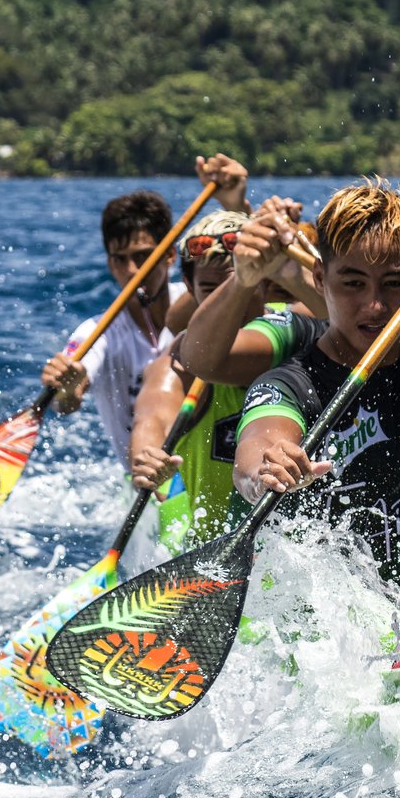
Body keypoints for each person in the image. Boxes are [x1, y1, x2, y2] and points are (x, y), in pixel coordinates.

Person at [217, 181, 400, 589]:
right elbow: (255, 454)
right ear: (319, 278)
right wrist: (267, 468)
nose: (375, 305)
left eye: (393, 283)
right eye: (353, 283)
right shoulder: (287, 386)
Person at [128, 204, 323, 551]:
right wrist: (146, 458)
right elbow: (151, 421)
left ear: (265, 282)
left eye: (241, 284)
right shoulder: (177, 367)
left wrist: (290, 264)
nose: (230, 303)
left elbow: (352, 310)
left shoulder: (293, 327)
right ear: (188, 286)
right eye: (212, 289)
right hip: (208, 548)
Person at [41, 161, 249, 458]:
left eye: (142, 257)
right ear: (110, 264)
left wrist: (236, 206)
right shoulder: (95, 333)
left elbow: (247, 272)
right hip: (147, 474)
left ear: (167, 256)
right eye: (120, 260)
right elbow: (67, 403)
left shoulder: (197, 298)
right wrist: (65, 388)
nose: (132, 270)